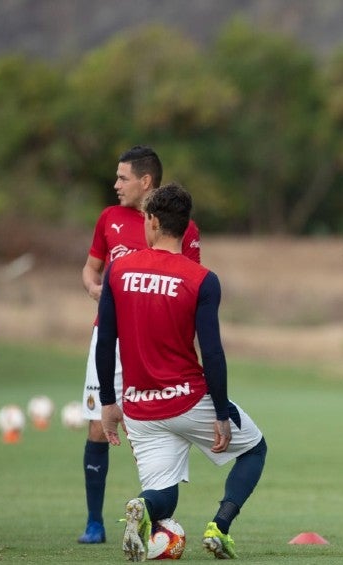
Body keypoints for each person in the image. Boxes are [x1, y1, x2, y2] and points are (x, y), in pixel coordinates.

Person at [97, 182, 267, 561]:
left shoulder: (118, 271)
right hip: (188, 401)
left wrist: (108, 402)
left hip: (139, 408)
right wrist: (221, 413)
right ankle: (219, 527)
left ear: (153, 222)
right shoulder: (201, 279)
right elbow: (212, 352)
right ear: (185, 227)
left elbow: (105, 340)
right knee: (255, 448)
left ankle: (141, 506)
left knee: (163, 495)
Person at [77, 145, 202, 544]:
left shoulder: (183, 227)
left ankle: (153, 514)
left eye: (122, 178)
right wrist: (95, 289)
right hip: (111, 338)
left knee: (149, 434)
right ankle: (94, 524)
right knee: (99, 427)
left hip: (158, 343)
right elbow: (92, 267)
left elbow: (192, 285)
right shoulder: (109, 219)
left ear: (146, 181)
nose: (115, 185)